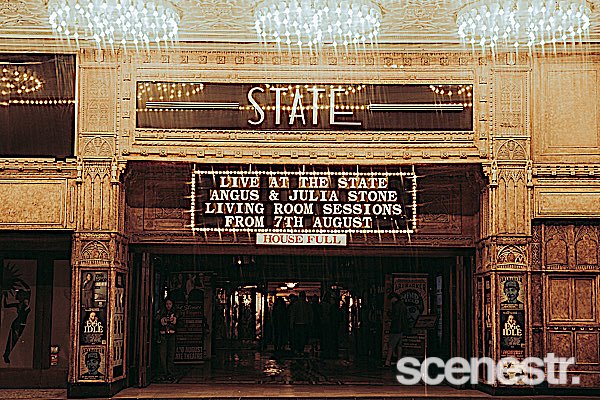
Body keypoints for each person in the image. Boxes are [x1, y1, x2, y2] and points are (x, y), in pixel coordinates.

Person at [3, 289, 31, 364]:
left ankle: (6, 354)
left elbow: (26, 312)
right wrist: (5, 296)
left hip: (20, 324)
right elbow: (6, 305)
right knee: (12, 340)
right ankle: (6, 354)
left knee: (14, 340)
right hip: (17, 324)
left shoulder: (25, 305)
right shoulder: (20, 305)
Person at [155, 298, 179, 380]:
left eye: (170, 304)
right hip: (163, 335)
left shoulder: (176, 313)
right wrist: (161, 320)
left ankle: (170, 373)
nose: (168, 306)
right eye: (167, 304)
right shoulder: (161, 312)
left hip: (172, 335)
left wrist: (175, 320)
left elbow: (180, 323)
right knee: (162, 354)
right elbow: (156, 320)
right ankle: (163, 373)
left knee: (171, 355)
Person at [385, 293, 410, 367]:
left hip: (396, 328)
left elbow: (394, 317)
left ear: (393, 298)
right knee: (400, 345)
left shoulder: (395, 306)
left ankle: (387, 362)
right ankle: (399, 360)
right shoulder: (403, 305)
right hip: (402, 328)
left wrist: (389, 313)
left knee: (391, 345)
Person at [320, 293, 342, 359]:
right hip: (332, 324)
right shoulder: (333, 307)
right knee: (332, 337)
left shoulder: (329, 307)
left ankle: (328, 350)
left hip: (329, 324)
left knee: (328, 337)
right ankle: (332, 351)